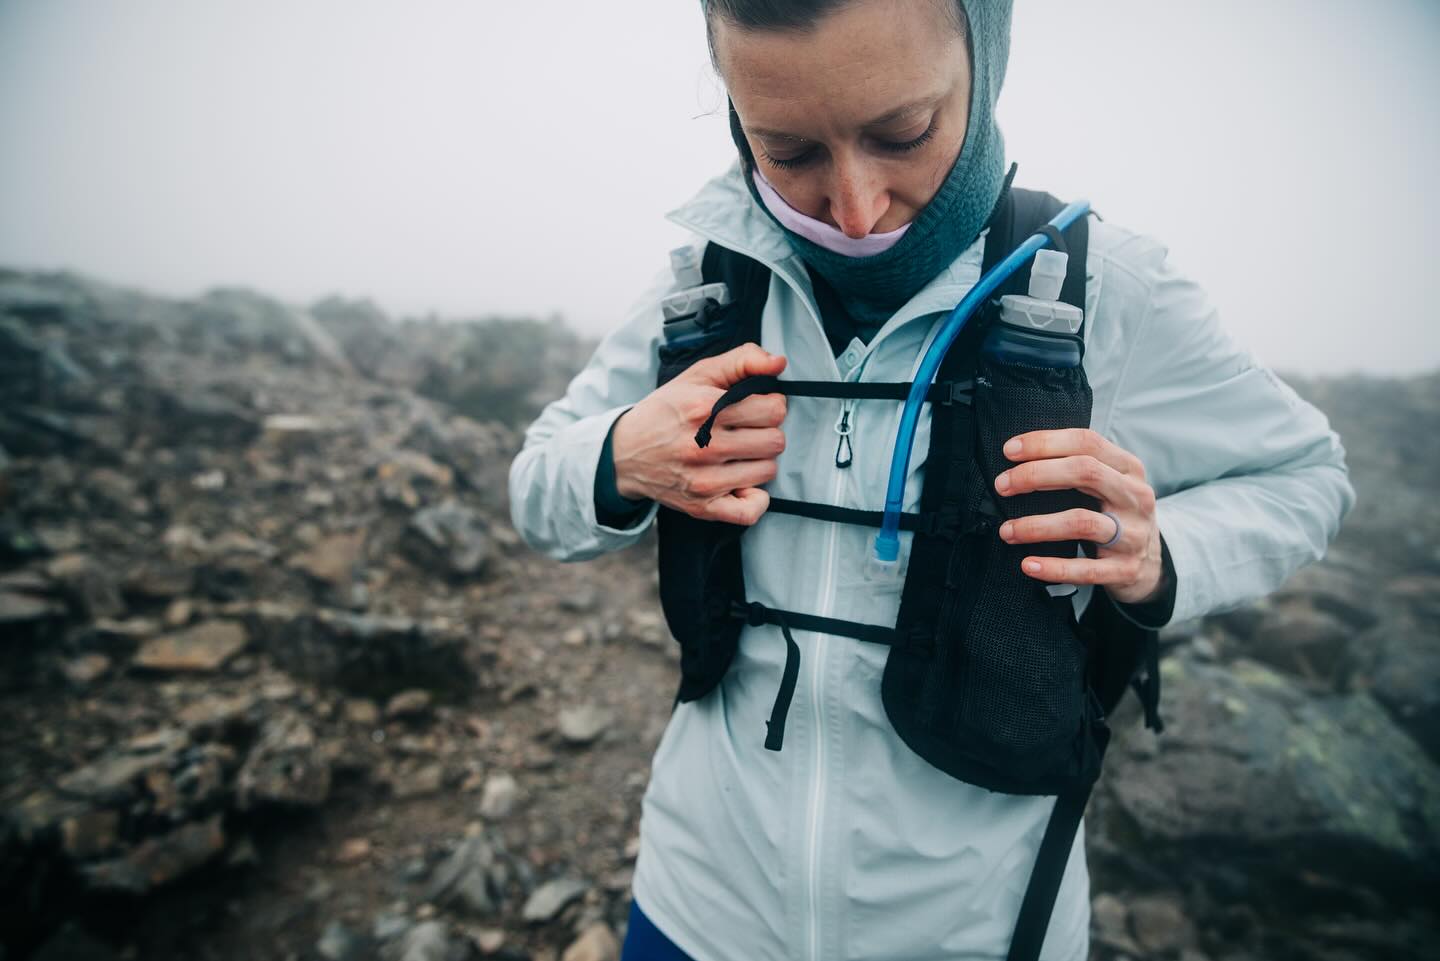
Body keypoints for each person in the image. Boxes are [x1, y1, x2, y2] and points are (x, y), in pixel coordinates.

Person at [507, 1, 1356, 958]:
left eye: (901, 132)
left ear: (985, 62)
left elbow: (1305, 476)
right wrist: (622, 456)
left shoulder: (1108, 289)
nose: (855, 208)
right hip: (695, 904)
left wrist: (1162, 555)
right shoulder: (705, 279)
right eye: (788, 152)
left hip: (978, 929)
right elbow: (537, 483)